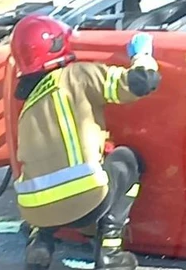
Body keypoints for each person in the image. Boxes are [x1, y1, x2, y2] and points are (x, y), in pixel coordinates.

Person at [11, 18, 161, 270]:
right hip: (85, 202)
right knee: (128, 159)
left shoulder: (28, 104)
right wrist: (143, 55)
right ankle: (110, 253)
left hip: (35, 211)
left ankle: (40, 242)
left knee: (47, 170)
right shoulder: (77, 75)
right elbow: (140, 83)